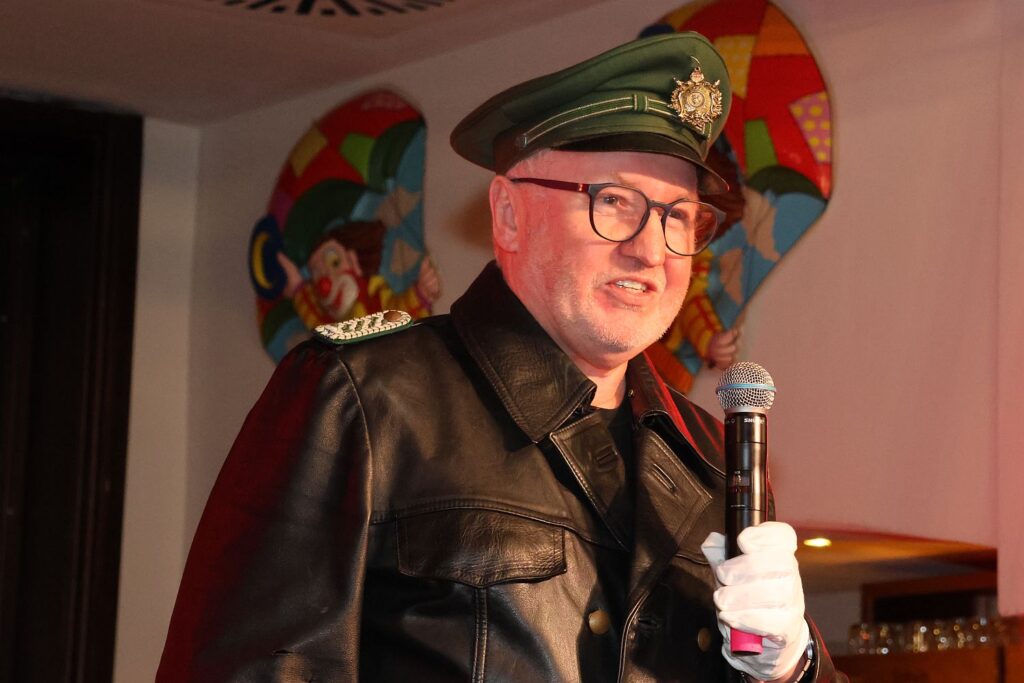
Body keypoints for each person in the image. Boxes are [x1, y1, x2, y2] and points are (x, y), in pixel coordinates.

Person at [157, 32, 846, 682]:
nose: (649, 249)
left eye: (678, 217)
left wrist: (793, 667)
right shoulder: (366, 398)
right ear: (509, 215)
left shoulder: (714, 461)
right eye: (614, 202)